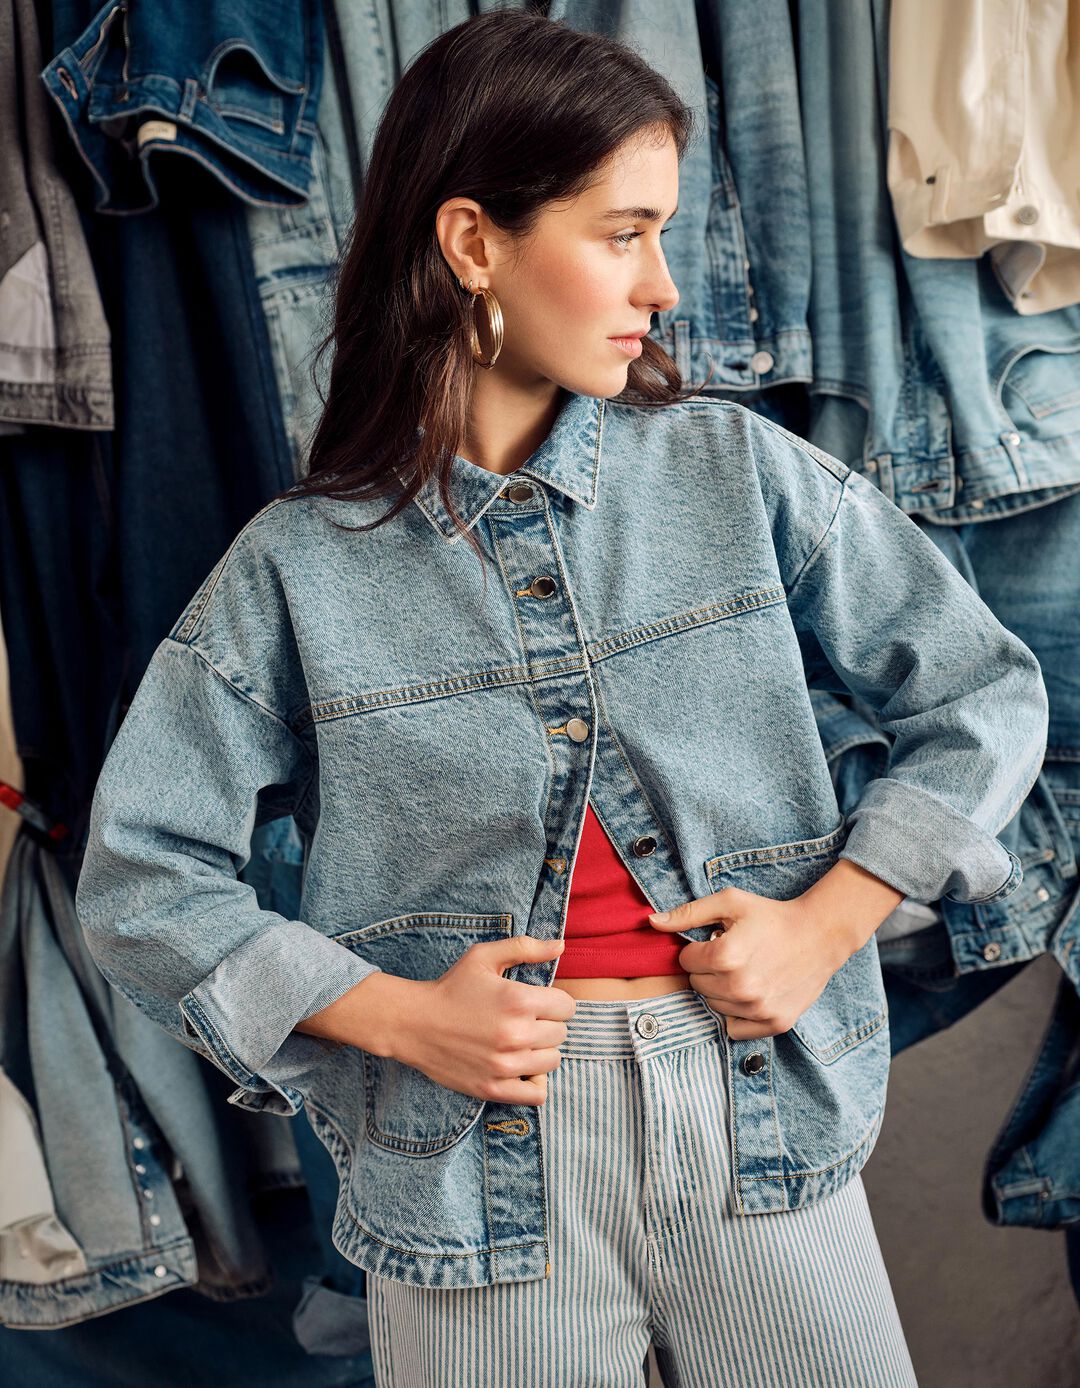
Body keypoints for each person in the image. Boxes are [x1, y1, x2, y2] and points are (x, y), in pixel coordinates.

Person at [75, 9, 1048, 1386]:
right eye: (621, 232)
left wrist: (830, 926)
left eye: (664, 232)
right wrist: (394, 1015)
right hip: (467, 1176)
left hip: (757, 1120)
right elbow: (138, 873)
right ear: (474, 244)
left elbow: (985, 693)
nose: (664, 286)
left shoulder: (738, 473)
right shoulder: (296, 569)